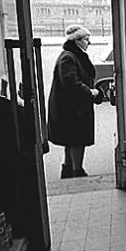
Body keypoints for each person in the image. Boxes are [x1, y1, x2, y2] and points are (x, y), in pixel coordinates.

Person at [48, 25, 102, 179]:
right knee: (77, 140)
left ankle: (68, 170)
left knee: (70, 141)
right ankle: (77, 172)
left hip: (71, 109)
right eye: (86, 39)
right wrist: (92, 93)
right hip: (72, 110)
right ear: (77, 41)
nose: (89, 43)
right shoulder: (69, 58)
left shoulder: (71, 56)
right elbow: (71, 84)